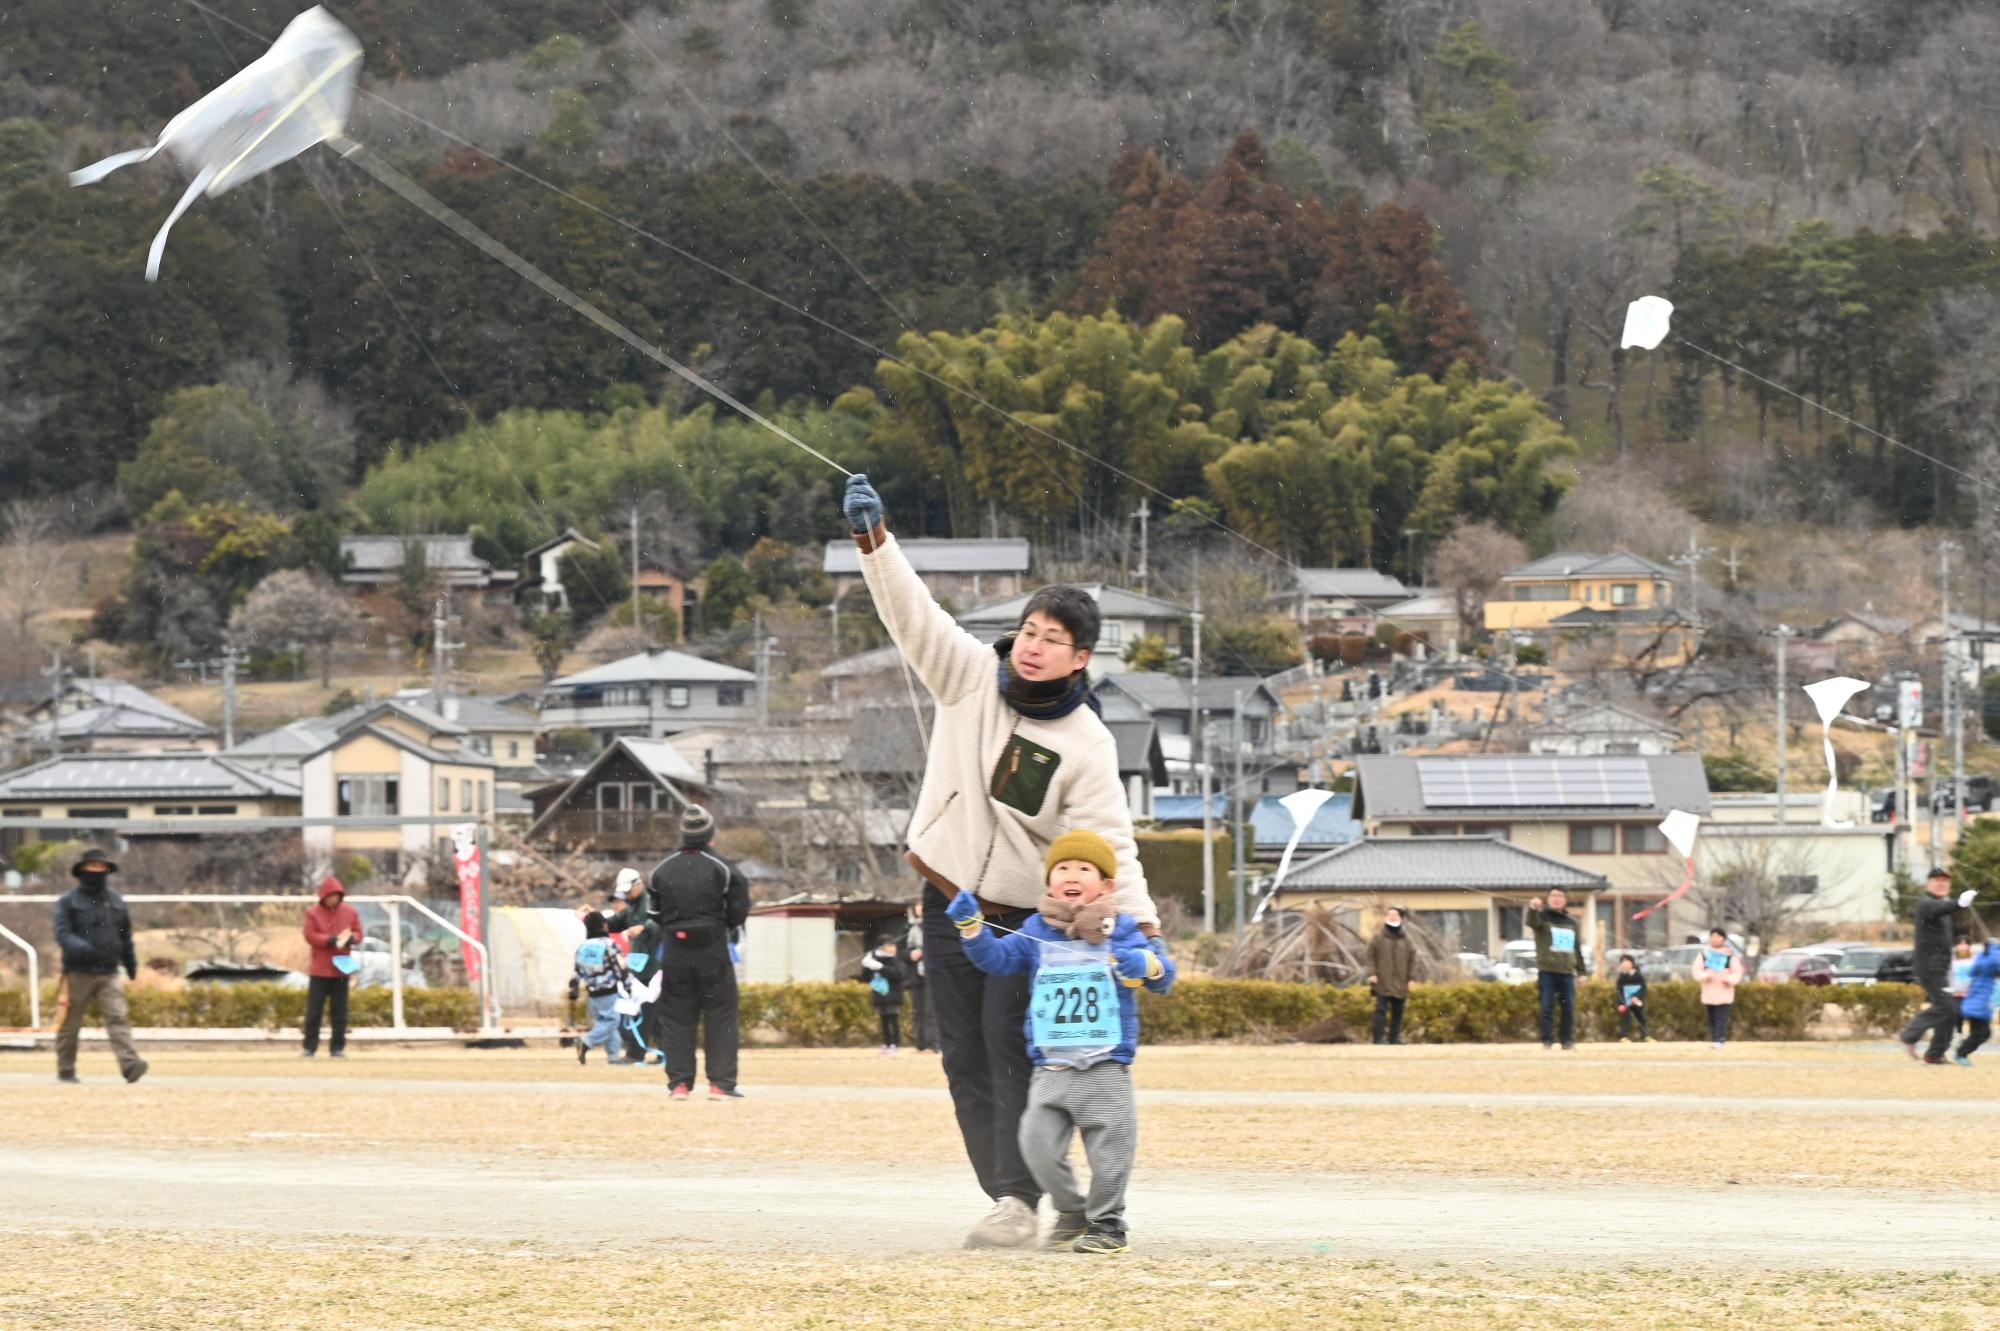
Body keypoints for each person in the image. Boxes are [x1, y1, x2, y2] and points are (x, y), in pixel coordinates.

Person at [840, 473, 1164, 1250]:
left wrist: (1141, 924)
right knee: (959, 1056)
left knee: (1009, 1046)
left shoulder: (1087, 741)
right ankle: (1007, 1195)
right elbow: (913, 614)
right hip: (950, 901)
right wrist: (874, 540)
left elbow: (1109, 842)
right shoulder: (968, 678)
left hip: (1026, 918)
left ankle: (1026, 1194)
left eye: (1054, 636)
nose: (1034, 642)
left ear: (1080, 657)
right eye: (1029, 628)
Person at [947, 830, 1176, 1255]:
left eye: (1084, 869)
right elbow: (994, 959)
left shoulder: (1121, 930)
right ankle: (1072, 1212)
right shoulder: (1037, 930)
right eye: (1062, 869)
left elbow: (1163, 975)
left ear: (1106, 885)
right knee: (1035, 1146)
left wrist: (1144, 961)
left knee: (1110, 1153)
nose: (1072, 875)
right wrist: (970, 928)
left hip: (1105, 1067)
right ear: (1050, 882)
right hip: (1051, 1069)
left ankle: (1108, 1225)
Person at [649, 803, 750, 1099]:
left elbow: (654, 913)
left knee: (677, 1016)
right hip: (712, 949)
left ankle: (679, 1083)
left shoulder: (662, 869)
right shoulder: (725, 868)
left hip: (675, 951)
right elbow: (738, 912)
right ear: (710, 835)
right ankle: (720, 1084)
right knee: (721, 1014)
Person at [51, 848, 147, 1085]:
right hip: (77, 972)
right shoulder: (67, 902)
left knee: (118, 1018)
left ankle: (130, 1065)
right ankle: (66, 1070)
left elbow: (125, 936)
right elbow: (62, 934)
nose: (96, 871)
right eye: (91, 867)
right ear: (81, 870)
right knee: (70, 1024)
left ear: (107, 871)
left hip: (109, 972)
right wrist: (84, 949)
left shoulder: (116, 902)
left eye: (100, 867)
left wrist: (131, 962)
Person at [1901, 868, 1978, 1064]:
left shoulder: (1942, 907)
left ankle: (1935, 1054)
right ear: (1928, 884)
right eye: (1937, 880)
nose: (1942, 884)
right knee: (1947, 1008)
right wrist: (1959, 903)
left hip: (1942, 967)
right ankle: (1909, 1034)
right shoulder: (1926, 904)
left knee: (1949, 1010)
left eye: (1945, 881)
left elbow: (1945, 913)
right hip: (1930, 967)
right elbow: (1938, 909)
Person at [602, 868, 661, 1064]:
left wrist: (645, 927)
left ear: (639, 884)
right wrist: (592, 920)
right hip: (639, 968)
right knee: (653, 1014)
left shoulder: (653, 902)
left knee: (645, 1012)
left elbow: (663, 922)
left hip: (654, 967)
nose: (626, 894)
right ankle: (666, 1053)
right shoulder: (632, 907)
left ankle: (636, 1054)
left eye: (629, 890)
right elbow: (614, 923)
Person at [301, 875, 363, 1059]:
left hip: (341, 967)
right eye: (330, 896)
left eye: (336, 895)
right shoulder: (312, 913)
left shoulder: (351, 913)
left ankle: (337, 1047)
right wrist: (329, 940)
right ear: (323, 896)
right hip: (320, 968)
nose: (333, 899)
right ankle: (309, 1047)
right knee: (314, 1010)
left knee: (340, 1010)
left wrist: (352, 938)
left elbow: (359, 933)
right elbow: (309, 935)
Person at [1525, 889, 1586, 1050]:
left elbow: (1576, 948)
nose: (1556, 899)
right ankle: (1547, 1040)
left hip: (1567, 972)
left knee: (1568, 1008)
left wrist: (1581, 972)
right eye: (1553, 896)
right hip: (1547, 972)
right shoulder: (1542, 918)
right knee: (1547, 1006)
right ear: (1548, 899)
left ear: (1565, 900)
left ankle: (1567, 1040)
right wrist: (1532, 908)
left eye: (1560, 896)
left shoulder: (1572, 922)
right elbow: (1531, 922)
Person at [569, 911, 629, 1065]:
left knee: (606, 1021)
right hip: (608, 989)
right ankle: (586, 1042)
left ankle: (613, 1056)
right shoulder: (609, 944)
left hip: (592, 992)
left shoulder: (583, 946)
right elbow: (620, 967)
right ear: (604, 925)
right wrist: (627, 985)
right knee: (611, 1021)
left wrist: (574, 989)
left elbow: (577, 970)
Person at [1365, 907, 1415, 1046]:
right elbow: (1369, 956)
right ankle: (1378, 1038)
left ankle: (1394, 1038)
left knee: (1398, 1011)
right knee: (1380, 1010)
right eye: (1390, 915)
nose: (1392, 917)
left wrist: (1411, 978)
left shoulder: (1406, 939)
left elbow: (1413, 959)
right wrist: (1372, 973)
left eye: (1395, 915)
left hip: (1401, 981)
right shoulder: (1378, 937)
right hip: (1382, 980)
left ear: (1401, 919)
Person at [1692, 929, 1744, 1047]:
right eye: (1713, 936)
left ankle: (1720, 1039)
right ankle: (1715, 1037)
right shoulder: (1704, 954)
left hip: (1724, 990)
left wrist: (1730, 979)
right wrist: (1705, 976)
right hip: (1709, 990)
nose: (1715, 939)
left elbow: (1737, 972)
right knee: (1712, 1017)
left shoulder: (1730, 954)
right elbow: (1696, 970)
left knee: (1722, 1017)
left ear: (1723, 939)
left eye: (1718, 936)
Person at [861, 936, 910, 1054]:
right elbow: (866, 977)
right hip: (879, 996)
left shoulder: (895, 960)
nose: (892, 948)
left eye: (893, 945)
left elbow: (898, 974)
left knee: (893, 1020)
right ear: (881, 947)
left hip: (893, 995)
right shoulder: (875, 959)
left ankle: (896, 1044)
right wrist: (867, 965)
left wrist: (881, 967)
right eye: (889, 945)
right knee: (883, 1021)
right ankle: (887, 1043)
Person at [1954, 938, 1998, 1067]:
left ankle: (1961, 1052)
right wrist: (1996, 947)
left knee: (1982, 1033)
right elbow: (1996, 961)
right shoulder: (1990, 960)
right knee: (1982, 1033)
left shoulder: (1981, 958)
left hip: (1978, 1006)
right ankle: (1960, 1054)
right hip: (1977, 1006)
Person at [906, 904, 935, 1053]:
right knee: (917, 1011)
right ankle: (920, 1044)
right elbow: (904, 950)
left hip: (932, 973)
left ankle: (932, 1045)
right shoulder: (912, 928)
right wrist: (911, 954)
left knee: (930, 1012)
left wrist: (923, 952)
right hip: (916, 974)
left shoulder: (934, 924)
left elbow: (935, 945)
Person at [1614, 953, 1649, 1043]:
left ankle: (1645, 1036)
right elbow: (1618, 991)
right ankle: (1624, 1037)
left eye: (1627, 961)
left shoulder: (1638, 976)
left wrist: (1637, 997)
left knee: (1641, 1018)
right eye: (1623, 962)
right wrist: (1620, 1003)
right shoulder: (1621, 977)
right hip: (1626, 1002)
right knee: (1625, 1019)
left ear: (1632, 963)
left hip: (1637, 1001)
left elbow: (1643, 988)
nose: (1624, 964)